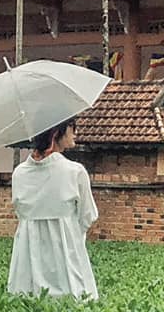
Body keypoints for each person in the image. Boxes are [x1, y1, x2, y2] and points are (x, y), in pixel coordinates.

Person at [7, 119, 98, 300]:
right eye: (72, 127)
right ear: (57, 132)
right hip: (67, 253)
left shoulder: (19, 173)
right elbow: (88, 216)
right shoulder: (75, 172)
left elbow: (19, 211)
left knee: (25, 304)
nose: (75, 133)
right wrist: (71, 232)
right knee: (74, 301)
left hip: (27, 256)